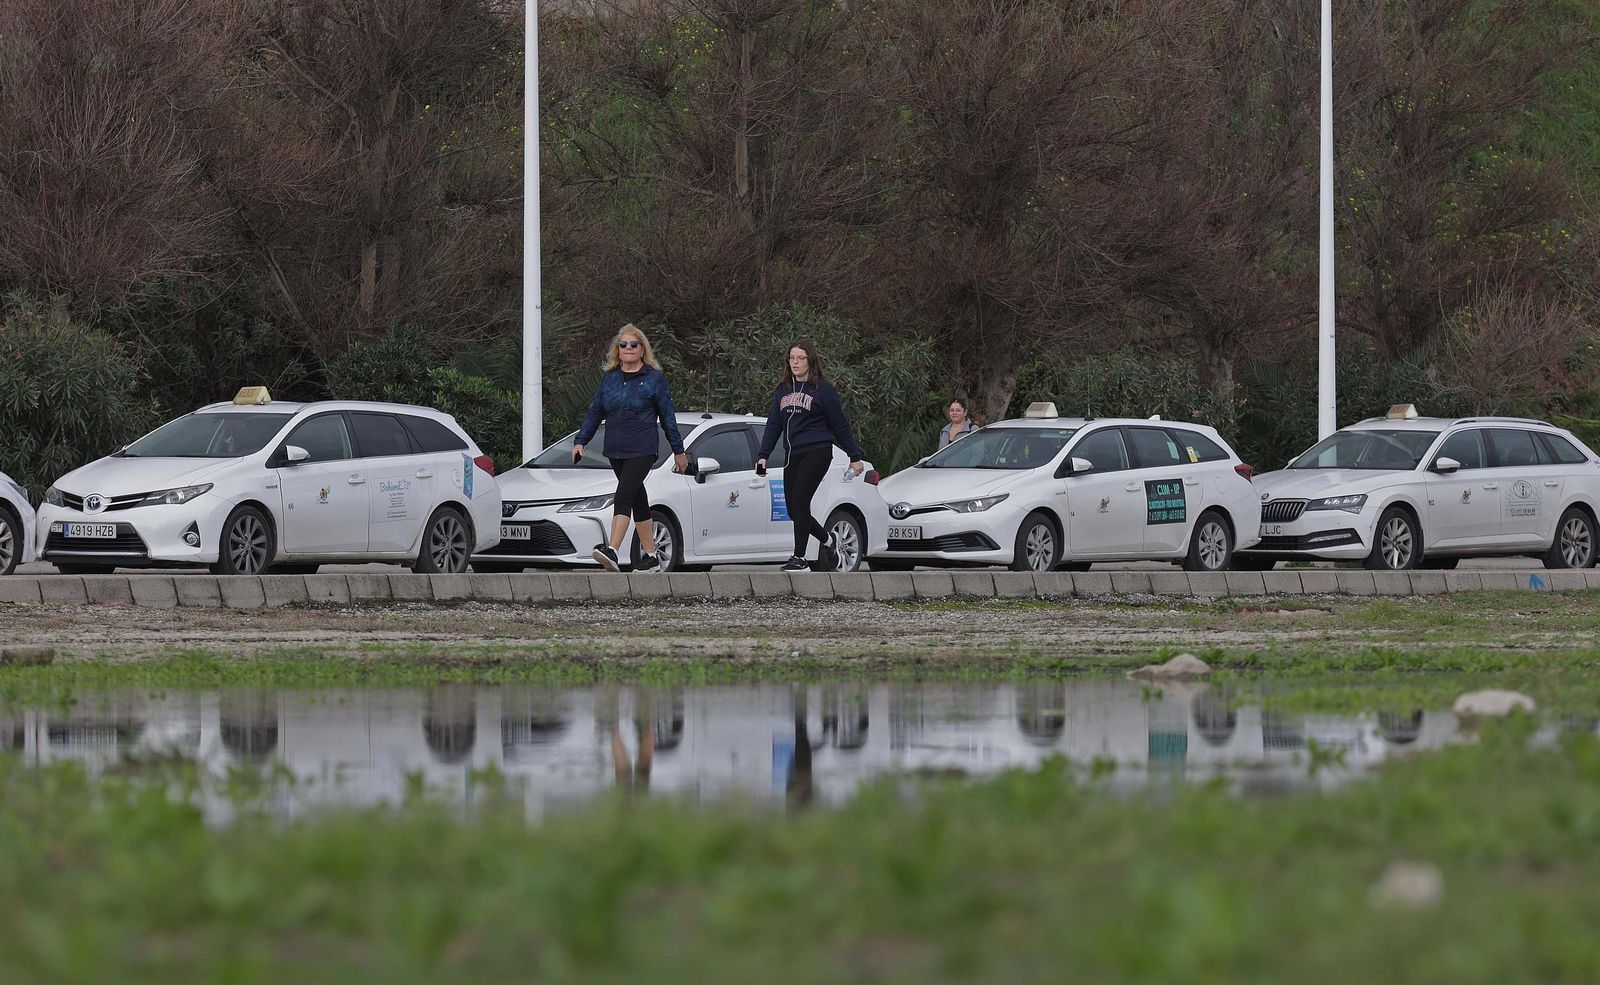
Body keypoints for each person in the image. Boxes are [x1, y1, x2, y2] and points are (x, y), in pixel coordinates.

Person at [573, 324, 688, 572]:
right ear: (617, 349)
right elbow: (595, 412)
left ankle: (612, 550)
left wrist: (679, 451)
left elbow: (668, 417)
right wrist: (581, 441)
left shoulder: (653, 379)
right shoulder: (610, 378)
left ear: (642, 349)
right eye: (623, 345)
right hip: (615, 448)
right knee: (638, 499)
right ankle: (650, 557)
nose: (628, 349)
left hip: (642, 448)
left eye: (633, 345)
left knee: (623, 495)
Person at [756, 339, 866, 572]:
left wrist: (854, 457)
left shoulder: (822, 390)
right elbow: (774, 425)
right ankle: (828, 539)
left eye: (800, 358)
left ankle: (800, 558)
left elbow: (840, 425)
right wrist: (763, 455)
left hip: (817, 451)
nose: (795, 363)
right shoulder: (783, 389)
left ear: (810, 361)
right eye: (792, 358)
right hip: (791, 454)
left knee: (800, 502)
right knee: (793, 510)